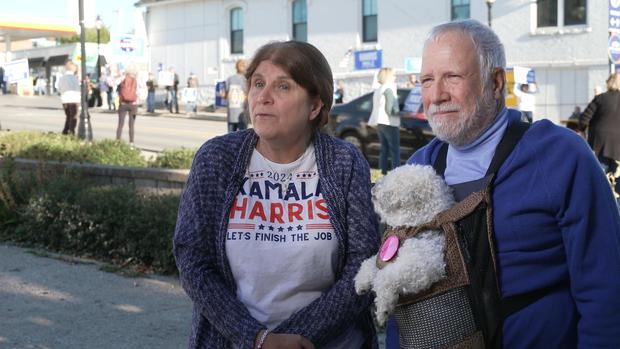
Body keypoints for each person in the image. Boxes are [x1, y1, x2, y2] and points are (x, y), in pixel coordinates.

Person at [385, 19, 620, 349]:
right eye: (426, 80)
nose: (436, 95)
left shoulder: (560, 156)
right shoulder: (418, 166)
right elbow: (401, 295)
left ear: (495, 82)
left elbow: (606, 290)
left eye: (452, 77)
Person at [174, 40, 379, 349]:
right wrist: (257, 339)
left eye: (283, 87)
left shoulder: (344, 162)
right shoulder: (217, 158)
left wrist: (293, 338)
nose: (263, 97)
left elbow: (363, 265)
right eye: (258, 83)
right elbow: (193, 260)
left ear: (315, 105)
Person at [579, 73, 620, 176]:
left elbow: (584, 119)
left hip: (600, 145)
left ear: (609, 82)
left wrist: (583, 131)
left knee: (599, 179)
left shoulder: (601, 98)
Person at [368, 67, 401, 174]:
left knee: (384, 149)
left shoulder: (379, 89)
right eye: (393, 75)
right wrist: (404, 113)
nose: (395, 77)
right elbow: (390, 109)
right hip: (389, 122)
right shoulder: (389, 89)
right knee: (395, 151)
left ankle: (382, 173)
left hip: (379, 122)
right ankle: (397, 174)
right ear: (388, 76)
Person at [224, 59, 249, 132]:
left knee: (230, 138)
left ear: (236, 68)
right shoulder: (246, 80)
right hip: (242, 113)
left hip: (231, 113)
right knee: (243, 138)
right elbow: (248, 95)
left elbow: (225, 96)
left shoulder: (229, 79)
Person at [57, 61, 81, 135]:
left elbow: (59, 88)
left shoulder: (62, 78)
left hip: (65, 99)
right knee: (73, 117)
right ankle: (71, 131)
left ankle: (65, 132)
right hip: (74, 99)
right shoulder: (74, 78)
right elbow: (78, 89)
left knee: (68, 116)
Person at [116, 68, 139, 145]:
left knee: (120, 124)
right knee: (131, 125)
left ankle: (118, 141)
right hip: (133, 105)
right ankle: (131, 143)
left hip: (123, 104)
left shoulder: (122, 80)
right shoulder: (137, 81)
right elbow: (141, 93)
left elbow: (117, 91)